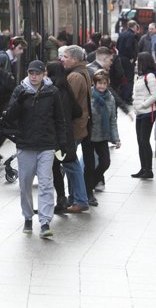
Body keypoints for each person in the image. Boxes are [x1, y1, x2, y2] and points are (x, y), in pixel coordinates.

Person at [4, 60, 67, 238]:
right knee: (24, 183)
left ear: (43, 74)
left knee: (46, 183)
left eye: (37, 73)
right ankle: (28, 217)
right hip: (25, 144)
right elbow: (9, 117)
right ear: (28, 73)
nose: (34, 76)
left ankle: (45, 221)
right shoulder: (20, 90)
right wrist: (20, 101)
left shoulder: (52, 92)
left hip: (47, 144)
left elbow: (59, 118)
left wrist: (62, 143)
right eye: (31, 73)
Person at [46, 61, 82, 214]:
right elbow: (78, 112)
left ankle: (61, 199)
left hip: (54, 136)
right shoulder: (66, 90)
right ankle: (64, 199)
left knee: (54, 167)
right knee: (58, 165)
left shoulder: (52, 91)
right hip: (66, 135)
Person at [59, 45, 92, 212]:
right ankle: (74, 198)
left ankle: (80, 199)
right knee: (69, 163)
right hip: (79, 125)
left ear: (75, 59)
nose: (62, 59)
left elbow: (66, 104)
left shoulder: (74, 77)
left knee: (71, 163)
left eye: (65, 56)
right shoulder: (83, 71)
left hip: (73, 127)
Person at [0, 36, 28, 158]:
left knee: (2, 123)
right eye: (20, 48)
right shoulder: (3, 58)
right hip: (0, 98)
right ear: (12, 46)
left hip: (5, 97)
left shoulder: (11, 60)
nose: (21, 52)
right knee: (1, 123)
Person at [90, 69, 121, 192]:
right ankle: (88, 188)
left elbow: (112, 120)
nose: (101, 86)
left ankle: (90, 183)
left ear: (107, 83)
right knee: (90, 164)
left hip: (103, 136)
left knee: (105, 162)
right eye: (99, 83)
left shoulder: (110, 98)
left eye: (104, 83)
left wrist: (116, 138)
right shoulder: (89, 96)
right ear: (94, 83)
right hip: (89, 135)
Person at [131, 52, 156, 179]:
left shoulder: (150, 76)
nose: (136, 63)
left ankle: (149, 169)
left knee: (144, 140)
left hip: (148, 113)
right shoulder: (140, 76)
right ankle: (143, 168)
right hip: (140, 113)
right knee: (140, 141)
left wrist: (142, 105)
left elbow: (155, 95)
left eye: (138, 61)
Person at [117, 20, 139, 104]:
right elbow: (129, 46)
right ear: (134, 27)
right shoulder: (132, 35)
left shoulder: (122, 34)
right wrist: (132, 57)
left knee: (122, 77)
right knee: (129, 78)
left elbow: (118, 46)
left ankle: (121, 95)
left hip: (121, 58)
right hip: (128, 60)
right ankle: (127, 97)